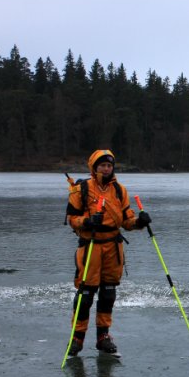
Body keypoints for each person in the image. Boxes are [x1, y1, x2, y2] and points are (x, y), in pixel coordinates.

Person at [65, 149, 151, 357]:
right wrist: (86, 221)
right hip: (91, 246)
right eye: (102, 165)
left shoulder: (120, 191)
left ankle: (103, 336)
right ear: (94, 167)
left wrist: (140, 222)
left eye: (109, 165)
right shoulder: (81, 190)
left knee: (108, 293)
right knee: (85, 295)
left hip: (113, 247)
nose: (106, 168)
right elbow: (71, 219)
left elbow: (126, 221)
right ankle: (77, 338)